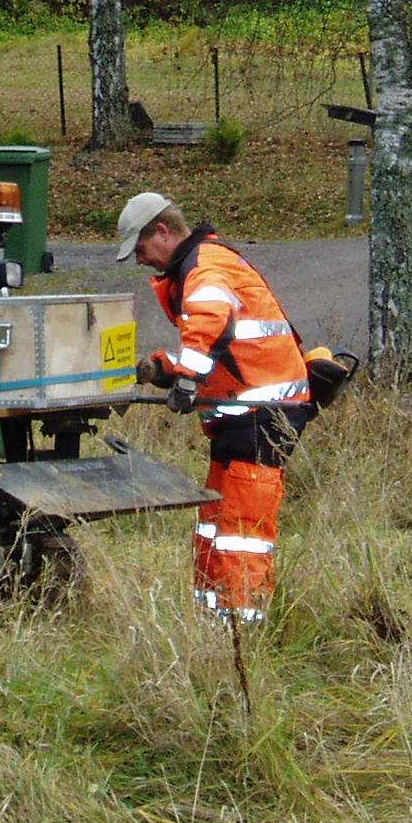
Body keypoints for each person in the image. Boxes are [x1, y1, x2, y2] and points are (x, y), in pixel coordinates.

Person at [116, 191, 354, 623]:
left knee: (242, 531)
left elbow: (209, 323)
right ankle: (213, 616)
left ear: (164, 232)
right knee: (215, 522)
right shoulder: (203, 264)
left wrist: (185, 377)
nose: (140, 260)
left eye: (140, 248)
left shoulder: (205, 267)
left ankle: (241, 627)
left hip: (264, 415)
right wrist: (159, 369)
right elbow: (224, 350)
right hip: (245, 415)